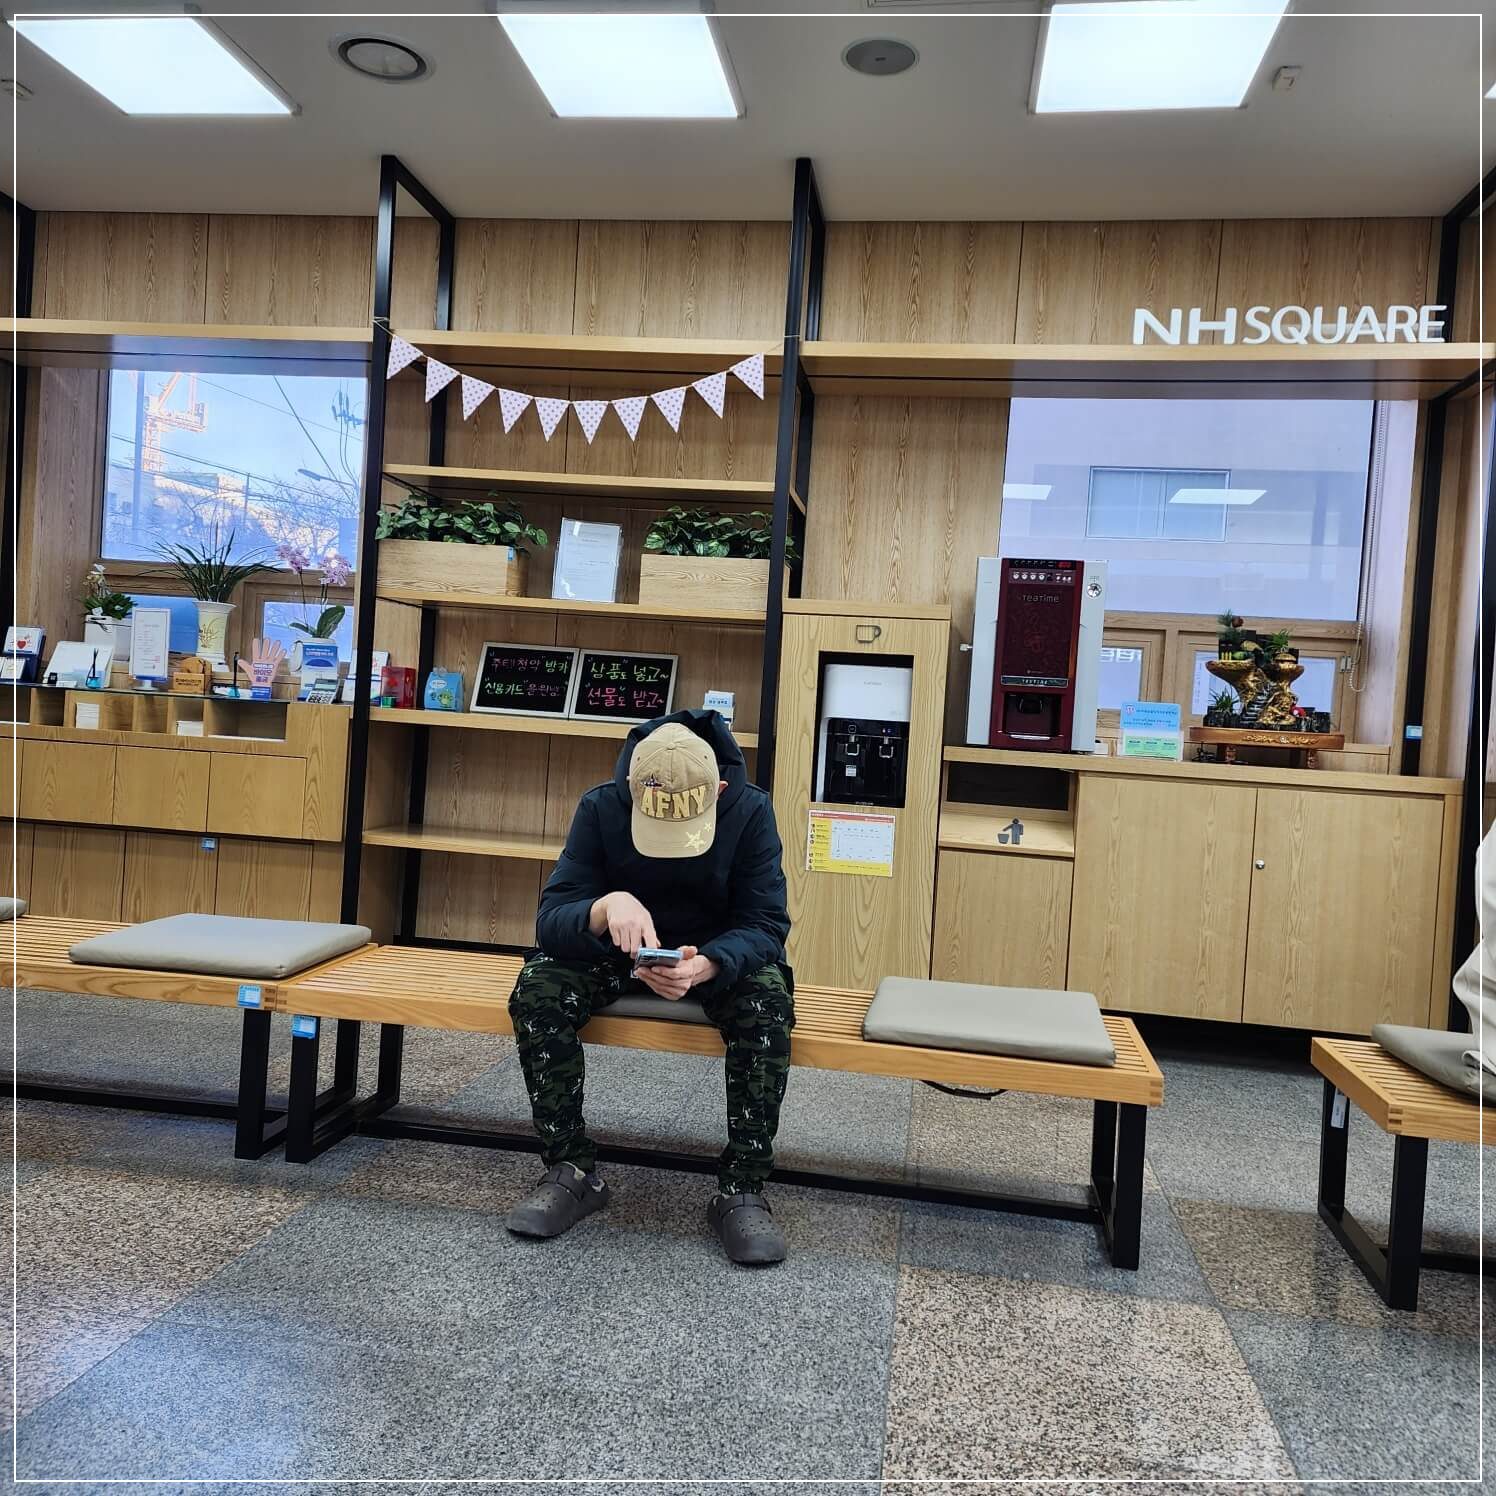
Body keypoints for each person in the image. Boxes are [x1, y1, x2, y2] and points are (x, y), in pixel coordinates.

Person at [504, 708, 794, 1265]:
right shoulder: (601, 806)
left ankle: (742, 1188)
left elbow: (765, 924)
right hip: (616, 956)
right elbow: (552, 920)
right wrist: (603, 906)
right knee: (538, 988)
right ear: (633, 791)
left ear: (719, 790)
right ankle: (571, 1169)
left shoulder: (751, 810)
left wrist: (709, 963)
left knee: (767, 1003)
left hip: (714, 955)